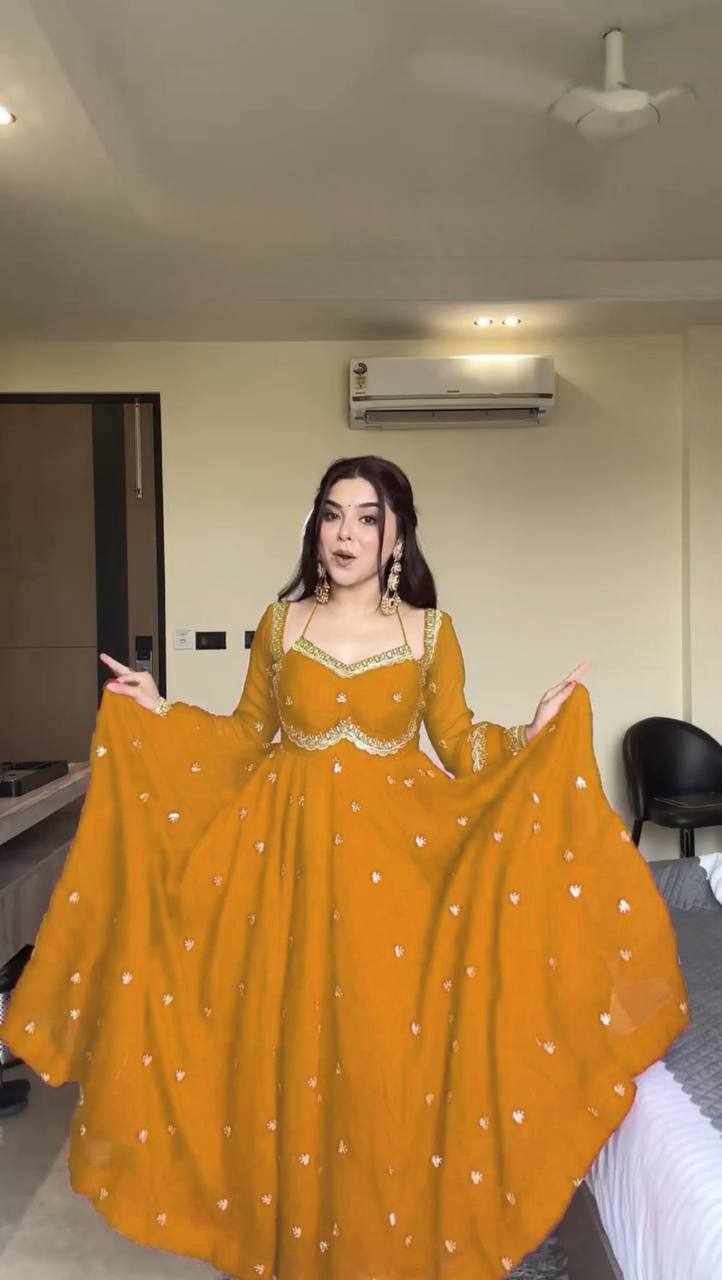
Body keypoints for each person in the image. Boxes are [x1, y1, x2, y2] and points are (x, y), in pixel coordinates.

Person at [3, 455, 689, 1280]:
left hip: (394, 878)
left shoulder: (429, 633)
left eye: (368, 518)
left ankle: (378, 1246)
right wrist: (159, 710)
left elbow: (460, 742)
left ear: (396, 537)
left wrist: (530, 736)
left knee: (376, 1062)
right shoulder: (281, 624)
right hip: (282, 875)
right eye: (333, 514)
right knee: (288, 1059)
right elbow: (242, 738)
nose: (346, 533)